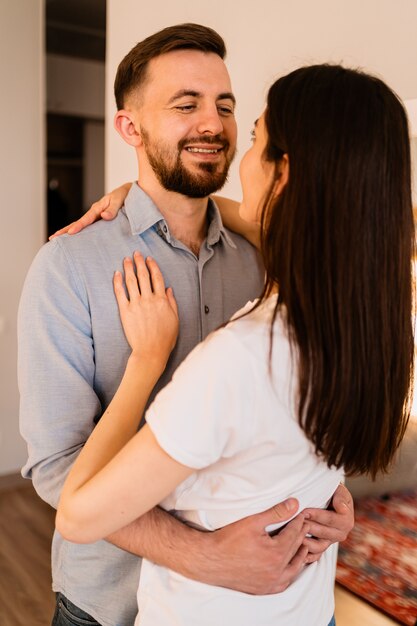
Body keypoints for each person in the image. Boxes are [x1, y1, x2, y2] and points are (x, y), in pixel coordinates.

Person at [56, 63, 414, 626]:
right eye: (186, 104)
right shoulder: (372, 327)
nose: (221, 133)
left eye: (252, 136)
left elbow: (76, 516)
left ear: (285, 173)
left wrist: (147, 361)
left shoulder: (243, 358)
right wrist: (142, 195)